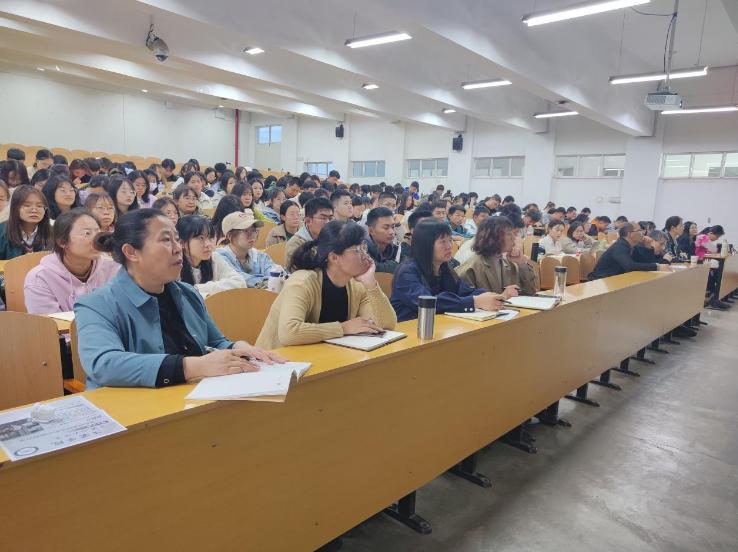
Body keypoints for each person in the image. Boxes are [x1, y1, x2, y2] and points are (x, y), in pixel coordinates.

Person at [75, 209, 285, 389]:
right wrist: (195, 366)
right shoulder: (96, 305)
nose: (178, 248)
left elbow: (216, 342)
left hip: (190, 397)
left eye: (177, 239)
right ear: (131, 252)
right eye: (166, 240)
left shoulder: (187, 293)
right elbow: (104, 364)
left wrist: (240, 348)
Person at [255, 221, 396, 349]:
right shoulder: (302, 282)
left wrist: (371, 284)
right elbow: (289, 332)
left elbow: (386, 325)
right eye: (358, 250)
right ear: (334, 257)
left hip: (322, 356)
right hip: (278, 361)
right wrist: (343, 328)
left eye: (364, 248)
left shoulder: (356, 285)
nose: (366, 256)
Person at [390, 219, 504, 322]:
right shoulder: (407, 271)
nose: (449, 246)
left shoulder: (444, 267)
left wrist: (491, 297)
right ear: (426, 245)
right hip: (409, 328)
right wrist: (475, 301)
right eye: (443, 242)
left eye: (450, 240)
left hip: (439, 325)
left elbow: (464, 291)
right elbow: (428, 302)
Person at [23, 208, 119, 314]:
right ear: (62, 242)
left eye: (97, 232)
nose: (97, 239)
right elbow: (47, 322)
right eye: (87, 233)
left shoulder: (114, 268)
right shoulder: (40, 278)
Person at [456, 216, 538, 296]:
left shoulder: (509, 264)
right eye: (509, 234)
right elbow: (470, 302)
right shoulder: (470, 270)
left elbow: (530, 291)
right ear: (494, 237)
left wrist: (522, 264)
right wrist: (503, 296)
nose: (514, 238)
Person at [176, 215, 245, 298]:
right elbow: (178, 295)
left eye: (210, 237)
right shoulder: (174, 265)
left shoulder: (214, 258)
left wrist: (197, 289)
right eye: (201, 238)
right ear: (182, 243)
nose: (208, 244)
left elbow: (239, 283)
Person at [589, 223, 670, 280]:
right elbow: (630, 266)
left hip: (616, 279)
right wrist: (657, 267)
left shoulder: (633, 246)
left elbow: (645, 262)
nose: (643, 233)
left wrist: (648, 246)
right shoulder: (620, 246)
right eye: (639, 230)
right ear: (629, 234)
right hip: (601, 280)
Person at [214, 211, 273, 287]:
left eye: (253, 230)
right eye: (245, 231)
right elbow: (239, 279)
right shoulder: (220, 257)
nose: (251, 235)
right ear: (229, 236)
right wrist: (268, 281)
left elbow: (276, 274)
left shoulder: (261, 256)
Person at [0, 185, 52, 260]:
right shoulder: (2, 231)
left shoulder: (53, 233)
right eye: (27, 205)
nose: (34, 210)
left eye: (39, 206)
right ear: (15, 208)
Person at [284, 197, 334, 269]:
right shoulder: (295, 244)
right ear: (308, 221)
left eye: (330, 218)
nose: (328, 222)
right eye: (323, 218)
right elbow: (299, 274)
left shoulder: (333, 239)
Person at [366, 207, 401, 273]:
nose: (391, 232)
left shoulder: (393, 247)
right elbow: (372, 268)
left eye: (393, 227)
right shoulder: (362, 248)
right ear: (371, 230)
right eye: (386, 228)